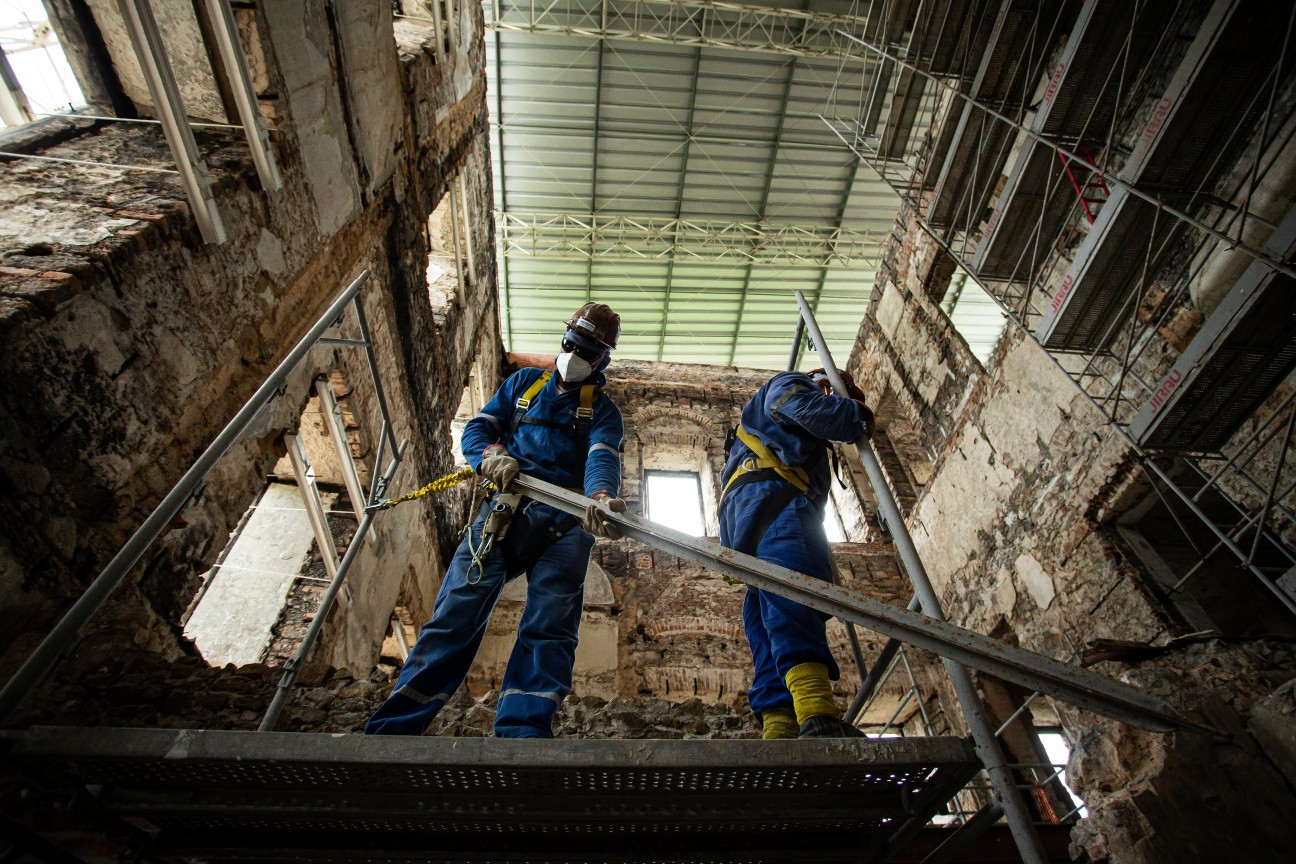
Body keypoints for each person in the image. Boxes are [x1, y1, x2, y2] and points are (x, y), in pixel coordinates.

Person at [366, 303, 627, 738]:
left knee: (550, 627)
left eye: (587, 351)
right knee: (457, 613)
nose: (575, 354)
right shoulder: (524, 384)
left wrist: (600, 498)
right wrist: (491, 456)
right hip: (505, 512)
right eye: (571, 344)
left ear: (602, 360)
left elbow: (602, 458)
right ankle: (396, 727)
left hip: (565, 525)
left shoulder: (603, 411)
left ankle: (523, 733)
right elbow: (478, 430)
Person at [719, 368, 873, 739]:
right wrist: (857, 414)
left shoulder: (755, 426)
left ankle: (779, 729)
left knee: (765, 616)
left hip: (749, 514)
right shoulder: (791, 383)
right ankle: (817, 714)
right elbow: (806, 409)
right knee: (795, 596)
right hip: (778, 500)